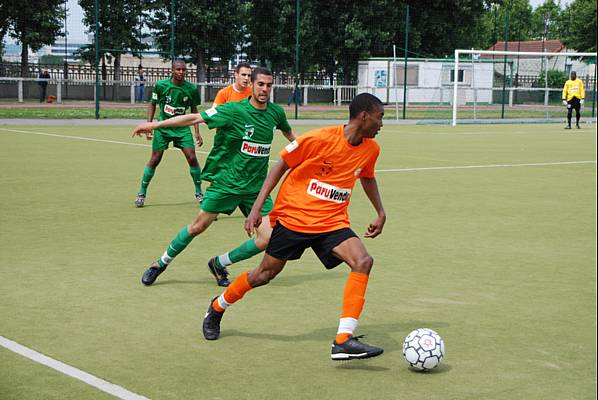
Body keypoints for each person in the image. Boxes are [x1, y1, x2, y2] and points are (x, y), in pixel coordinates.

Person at [202, 93, 387, 361]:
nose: (382, 124)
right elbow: (280, 166)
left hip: (332, 222)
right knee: (263, 275)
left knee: (363, 261)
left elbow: (367, 177)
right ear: (364, 116)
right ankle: (218, 306)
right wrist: (256, 208)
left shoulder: (371, 149)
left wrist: (380, 211)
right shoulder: (319, 138)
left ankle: (343, 339)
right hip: (294, 218)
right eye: (380, 117)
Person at [131, 67, 297, 287]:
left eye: (269, 85)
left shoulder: (276, 112)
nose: (264, 89)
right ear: (252, 85)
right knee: (197, 227)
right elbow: (195, 118)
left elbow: (288, 133)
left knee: (267, 238)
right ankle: (160, 264)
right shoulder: (233, 110)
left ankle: (219, 263)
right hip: (227, 183)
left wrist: (306, 148)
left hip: (256, 188)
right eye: (260, 84)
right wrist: (155, 124)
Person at [133, 59, 203, 208]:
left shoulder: (191, 89)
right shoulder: (161, 86)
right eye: (178, 69)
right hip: (163, 128)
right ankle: (141, 193)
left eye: (184, 70)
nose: (181, 72)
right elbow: (152, 104)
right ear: (172, 70)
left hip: (182, 128)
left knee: (191, 157)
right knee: (155, 158)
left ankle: (199, 192)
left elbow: (194, 111)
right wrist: (150, 125)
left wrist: (197, 132)